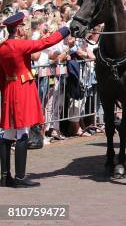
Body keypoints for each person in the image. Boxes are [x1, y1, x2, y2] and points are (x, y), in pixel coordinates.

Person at [0, 12, 70, 187]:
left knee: (8, 134)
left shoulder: (3, 47)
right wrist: (66, 29)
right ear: (17, 29)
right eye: (22, 26)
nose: (24, 28)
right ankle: (20, 177)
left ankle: (4, 176)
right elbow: (46, 42)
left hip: (9, 90)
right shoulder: (20, 44)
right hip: (21, 90)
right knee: (22, 133)